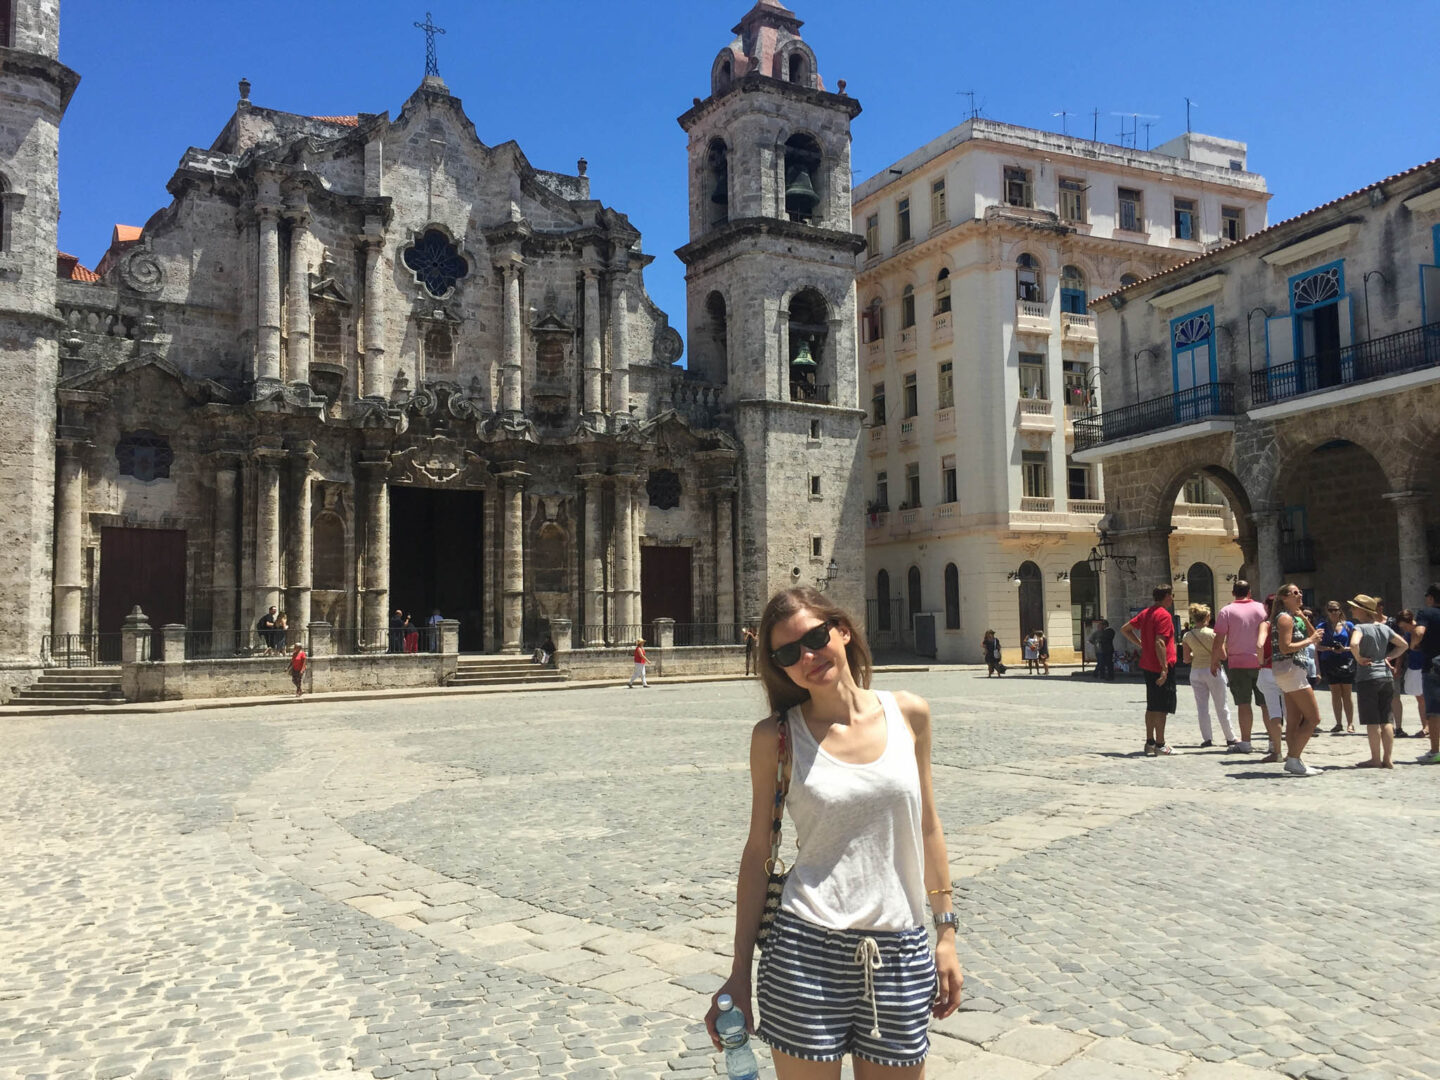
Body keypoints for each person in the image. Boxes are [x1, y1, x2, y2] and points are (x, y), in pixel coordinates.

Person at [705, 587, 962, 1075]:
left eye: (816, 637)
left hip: (900, 950)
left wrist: (945, 932)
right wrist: (739, 973)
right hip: (805, 951)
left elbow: (928, 824)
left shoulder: (910, 713)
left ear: (842, 630)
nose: (807, 656)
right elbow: (758, 851)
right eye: (787, 654)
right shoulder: (775, 737)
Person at [1270, 584, 1325, 776]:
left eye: (1300, 591)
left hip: (1290, 672)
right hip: (1292, 670)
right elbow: (1286, 647)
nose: (1300, 595)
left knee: (1294, 719)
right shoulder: (1285, 618)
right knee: (1313, 718)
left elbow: (1315, 637)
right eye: (1295, 593)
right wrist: (1309, 641)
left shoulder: (1293, 617)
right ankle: (1293, 759)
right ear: (1284, 598)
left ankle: (1295, 758)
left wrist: (1303, 617)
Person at [1348, 594, 1408, 769]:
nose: (1351, 609)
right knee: (1386, 719)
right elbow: (1403, 644)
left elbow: (1353, 644)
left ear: (1362, 610)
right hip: (1385, 677)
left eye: (1354, 607)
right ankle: (1388, 759)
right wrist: (1388, 657)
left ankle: (1375, 759)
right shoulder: (1384, 628)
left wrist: (1359, 658)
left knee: (1372, 721)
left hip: (1368, 678)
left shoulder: (1359, 628)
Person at [1211, 580, 1268, 754]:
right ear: (1250, 592)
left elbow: (1219, 640)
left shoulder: (1226, 611)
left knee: (1244, 704)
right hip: (1262, 662)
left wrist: (1216, 660)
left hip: (1238, 663)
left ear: (1233, 593)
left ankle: (1246, 742)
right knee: (1267, 704)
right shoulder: (1262, 608)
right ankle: (1274, 742)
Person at [1122, 584, 1178, 756]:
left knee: (1152, 704)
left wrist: (1141, 644)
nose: (1172, 599)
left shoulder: (1146, 613)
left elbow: (1125, 629)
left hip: (1147, 664)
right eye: (1171, 595)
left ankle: (1150, 742)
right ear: (1166, 596)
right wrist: (1164, 669)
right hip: (1160, 664)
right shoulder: (1164, 615)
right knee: (1162, 707)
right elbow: (1160, 642)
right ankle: (1161, 744)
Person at [1182, 604, 1237, 749]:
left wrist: (1195, 654)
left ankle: (1207, 738)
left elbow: (1186, 659)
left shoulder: (1187, 636)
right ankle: (1230, 737)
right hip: (1212, 671)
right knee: (1221, 706)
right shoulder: (1213, 634)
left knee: (1202, 707)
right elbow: (1223, 655)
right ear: (1208, 617)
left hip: (1196, 672)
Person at [1316, 601, 1356, 734]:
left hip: (1346, 660)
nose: (1333, 612)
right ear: (1327, 611)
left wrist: (1345, 649)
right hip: (1330, 661)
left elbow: (1356, 644)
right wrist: (1330, 649)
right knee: (1335, 693)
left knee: (1347, 693)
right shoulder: (1322, 626)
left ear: (1340, 610)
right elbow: (1317, 645)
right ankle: (1338, 723)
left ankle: (1350, 723)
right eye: (1331, 610)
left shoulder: (1348, 625)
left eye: (1336, 610)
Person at [1413, 583, 1440, 765]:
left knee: (1434, 711)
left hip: (1433, 665)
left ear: (1430, 597)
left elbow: (1419, 631)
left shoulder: (1426, 613)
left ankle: (1435, 751)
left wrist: (1413, 644)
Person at [1395, 610, 1428, 740]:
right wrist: (1397, 666)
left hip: (1426, 667)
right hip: (1414, 667)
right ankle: (1426, 726)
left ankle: (1429, 727)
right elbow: (1402, 649)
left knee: (1427, 698)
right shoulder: (1408, 634)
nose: (1403, 628)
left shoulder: (1422, 629)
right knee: (1420, 699)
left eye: (1403, 625)